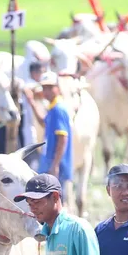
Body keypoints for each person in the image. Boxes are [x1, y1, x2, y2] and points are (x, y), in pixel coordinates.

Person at [0, 61, 47, 170]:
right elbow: (32, 89)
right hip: (26, 134)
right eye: (41, 72)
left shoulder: (30, 86)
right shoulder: (28, 84)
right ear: (34, 73)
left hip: (32, 133)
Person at [35, 72, 74, 205]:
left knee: (54, 205)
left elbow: (63, 138)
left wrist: (55, 164)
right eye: (44, 88)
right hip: (49, 163)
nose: (46, 91)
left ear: (57, 88)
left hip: (56, 166)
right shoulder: (52, 108)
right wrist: (31, 101)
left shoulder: (58, 109)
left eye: (50, 87)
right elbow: (43, 122)